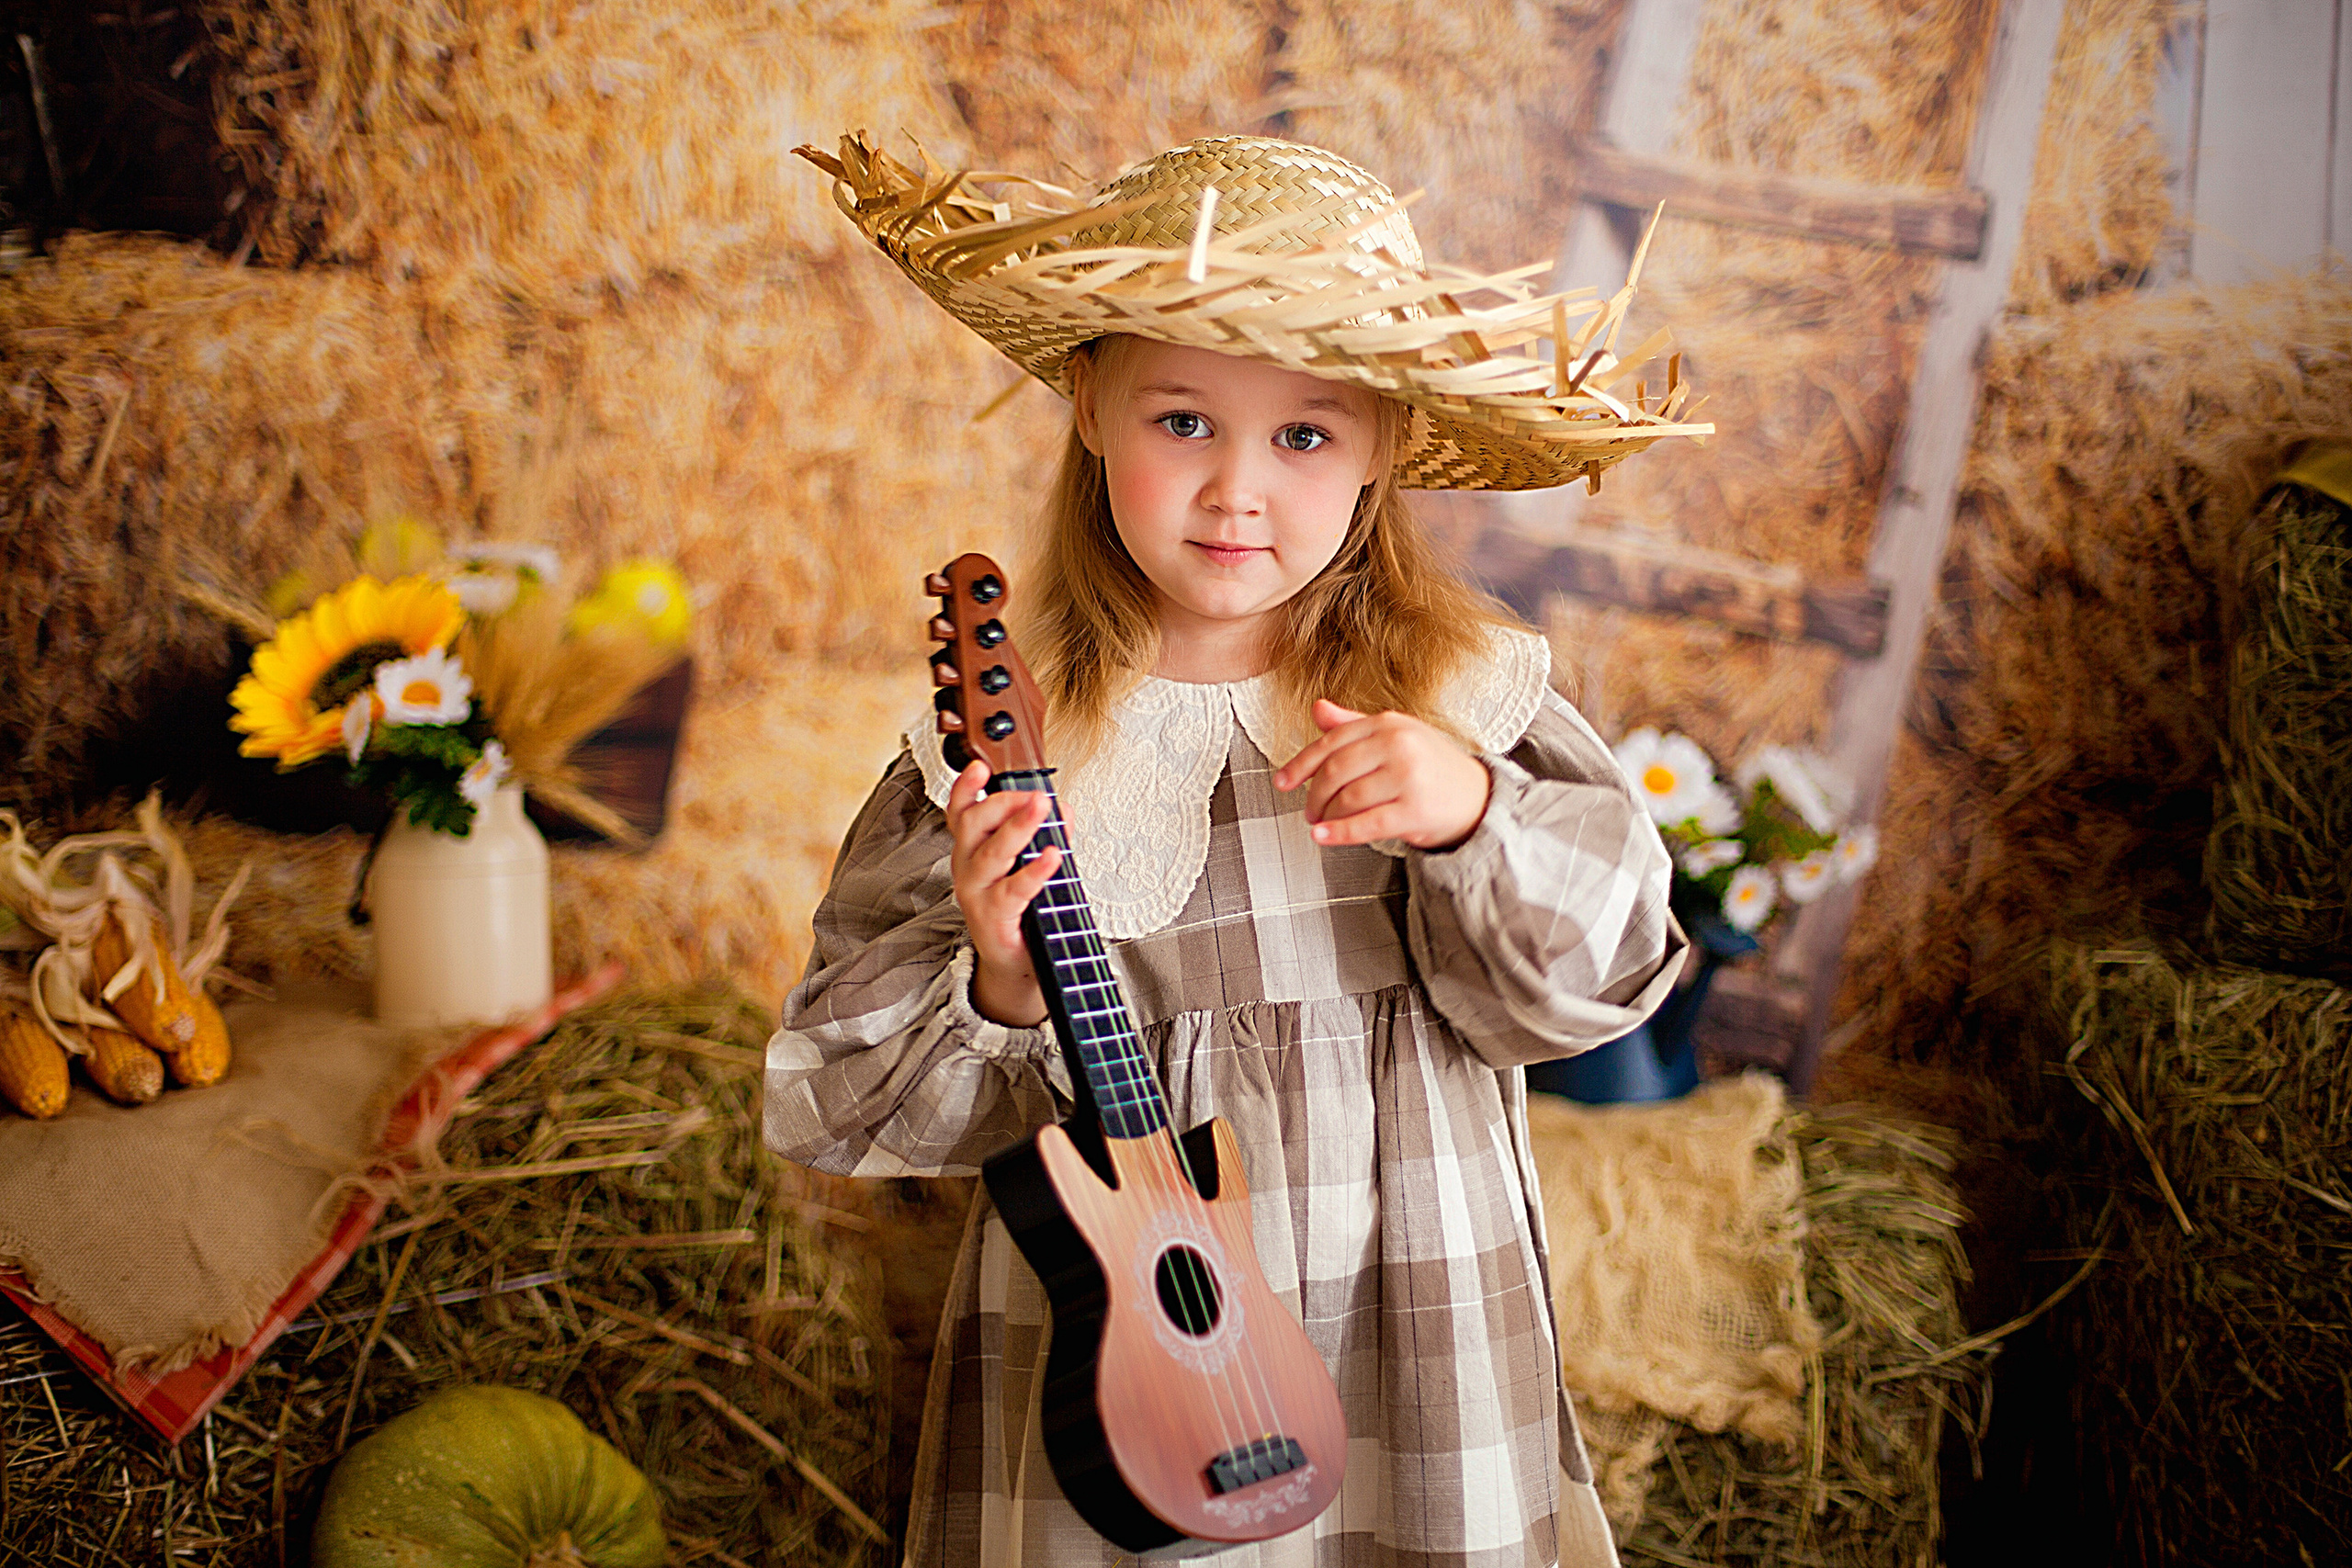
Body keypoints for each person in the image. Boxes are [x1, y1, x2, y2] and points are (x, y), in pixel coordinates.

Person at [766, 132, 1704, 1568]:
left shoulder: (1463, 698)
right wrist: (1003, 982)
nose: (1236, 490)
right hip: (1129, 1357)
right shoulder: (1001, 744)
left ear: (1384, 444)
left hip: (1411, 1309)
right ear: (1091, 403)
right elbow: (848, 1109)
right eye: (1184, 421)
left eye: (1304, 436)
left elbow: (1601, 980)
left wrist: (1470, 814)